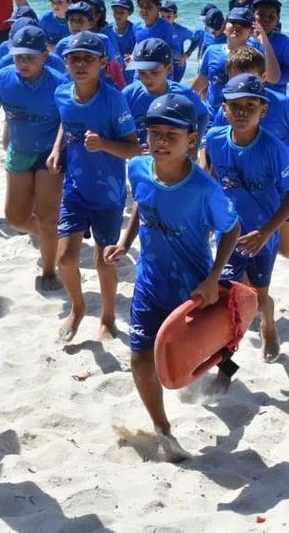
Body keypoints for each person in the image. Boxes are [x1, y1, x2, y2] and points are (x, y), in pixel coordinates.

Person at [104, 93, 240, 462]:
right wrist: (124, 241)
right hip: (150, 285)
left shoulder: (205, 190)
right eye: (154, 133)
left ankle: (226, 366)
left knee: (206, 355)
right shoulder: (137, 168)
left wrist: (214, 278)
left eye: (172, 135)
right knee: (140, 359)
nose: (161, 142)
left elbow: (232, 228)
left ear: (191, 140)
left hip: (193, 291)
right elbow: (142, 208)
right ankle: (163, 428)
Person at [202, 75, 289, 364]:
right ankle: (225, 362)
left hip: (263, 238)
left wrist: (265, 232)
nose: (243, 112)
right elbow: (210, 178)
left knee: (259, 299)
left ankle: (268, 325)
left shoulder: (274, 149)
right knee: (227, 298)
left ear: (264, 110)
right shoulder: (214, 139)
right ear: (224, 109)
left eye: (251, 105)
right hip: (228, 235)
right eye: (235, 106)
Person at [48, 32, 141, 342]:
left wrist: (102, 145)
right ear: (65, 63)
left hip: (109, 193)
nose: (81, 64)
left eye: (89, 58)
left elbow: (133, 148)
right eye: (75, 58)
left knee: (105, 261)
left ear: (103, 63)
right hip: (74, 188)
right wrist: (56, 149)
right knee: (65, 258)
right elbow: (67, 122)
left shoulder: (114, 100)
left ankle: (108, 316)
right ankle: (77, 308)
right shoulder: (62, 93)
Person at [210, 47, 289, 293]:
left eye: (248, 78)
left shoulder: (282, 104)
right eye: (234, 78)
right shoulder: (225, 110)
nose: (241, 85)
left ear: (262, 77)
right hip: (245, 189)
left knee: (287, 248)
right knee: (243, 250)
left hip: (282, 188)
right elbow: (216, 152)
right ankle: (254, 304)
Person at [0, 26, 67, 291]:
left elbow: (67, 119)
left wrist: (57, 149)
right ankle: (50, 236)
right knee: (15, 218)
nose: (23, 62)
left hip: (49, 155)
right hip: (19, 151)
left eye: (30, 57)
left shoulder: (59, 82)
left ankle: (50, 270)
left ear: (44, 55)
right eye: (18, 56)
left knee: (48, 215)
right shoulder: (5, 78)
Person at [122, 38, 208, 146]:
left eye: (154, 72)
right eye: (142, 73)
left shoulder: (184, 94)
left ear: (169, 68)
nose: (148, 79)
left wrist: (194, 145)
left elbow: (203, 115)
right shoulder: (129, 94)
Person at [192, 7, 254, 115]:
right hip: (212, 117)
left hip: (240, 117)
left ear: (251, 31)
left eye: (243, 24)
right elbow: (201, 81)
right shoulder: (211, 51)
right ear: (225, 25)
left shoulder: (254, 56)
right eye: (233, 22)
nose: (237, 26)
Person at [251, 0, 289, 92]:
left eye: (271, 16)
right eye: (261, 15)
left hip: (275, 93)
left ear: (278, 19)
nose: (266, 19)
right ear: (253, 16)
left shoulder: (283, 42)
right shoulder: (246, 39)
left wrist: (271, 79)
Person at [131, 0, 177, 83]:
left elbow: (175, 50)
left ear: (158, 7)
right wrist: (133, 54)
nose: (144, 10)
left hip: (160, 73)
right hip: (140, 71)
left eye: (149, 6)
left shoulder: (166, 27)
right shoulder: (136, 27)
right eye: (141, 6)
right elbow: (138, 43)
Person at [160, 1, 197, 82]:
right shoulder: (157, 29)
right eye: (162, 17)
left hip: (177, 65)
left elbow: (197, 39)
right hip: (161, 64)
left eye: (168, 16)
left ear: (175, 15)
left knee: (172, 89)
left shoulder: (181, 30)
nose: (165, 20)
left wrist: (187, 54)